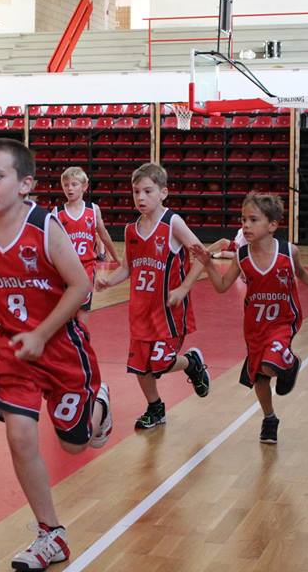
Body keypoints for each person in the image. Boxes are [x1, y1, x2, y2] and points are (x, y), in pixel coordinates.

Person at [0, 138, 112, 570]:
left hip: (62, 348)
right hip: (15, 351)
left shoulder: (45, 226)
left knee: (74, 445)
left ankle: (100, 404)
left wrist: (41, 332)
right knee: (19, 436)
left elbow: (80, 286)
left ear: (25, 183)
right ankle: (51, 533)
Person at [192, 193, 308, 444]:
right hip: (254, 325)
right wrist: (208, 264)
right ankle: (269, 418)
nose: (246, 225)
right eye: (243, 220)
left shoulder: (288, 252)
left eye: (253, 220)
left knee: (269, 366)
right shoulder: (242, 256)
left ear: (272, 224)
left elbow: (303, 274)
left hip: (283, 321)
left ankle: (289, 363)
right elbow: (222, 286)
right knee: (259, 376)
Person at [96, 162, 210, 430]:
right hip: (140, 310)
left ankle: (192, 363)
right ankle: (155, 407)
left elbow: (202, 256)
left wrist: (184, 288)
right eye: (136, 192)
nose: (141, 197)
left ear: (163, 193)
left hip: (168, 311)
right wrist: (108, 281)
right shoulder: (130, 230)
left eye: (148, 191)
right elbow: (127, 268)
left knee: (160, 362)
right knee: (140, 365)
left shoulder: (172, 222)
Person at [53, 167, 119, 324]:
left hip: (87, 267)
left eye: (74, 184)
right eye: (66, 185)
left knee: (82, 310)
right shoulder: (57, 212)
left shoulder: (93, 210)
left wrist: (117, 258)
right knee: (66, 311)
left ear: (84, 186)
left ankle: (81, 336)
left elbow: (104, 235)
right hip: (65, 269)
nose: (69, 188)